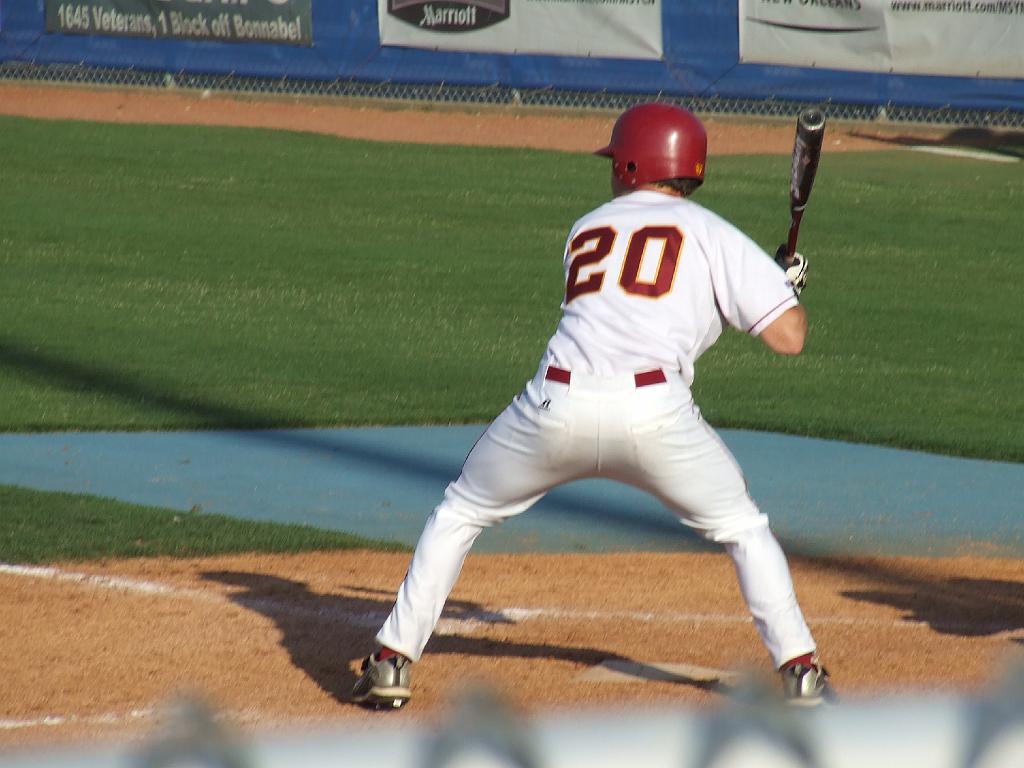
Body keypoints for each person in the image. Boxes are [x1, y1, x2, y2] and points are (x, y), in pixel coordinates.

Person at [352, 102, 831, 709]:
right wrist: (775, 286)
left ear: (632, 163)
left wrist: (765, 281)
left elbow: (635, 307)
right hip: (656, 416)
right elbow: (785, 338)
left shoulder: (586, 229)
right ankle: (800, 669)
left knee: (460, 511)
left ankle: (393, 659)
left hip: (555, 404)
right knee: (744, 530)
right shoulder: (715, 233)